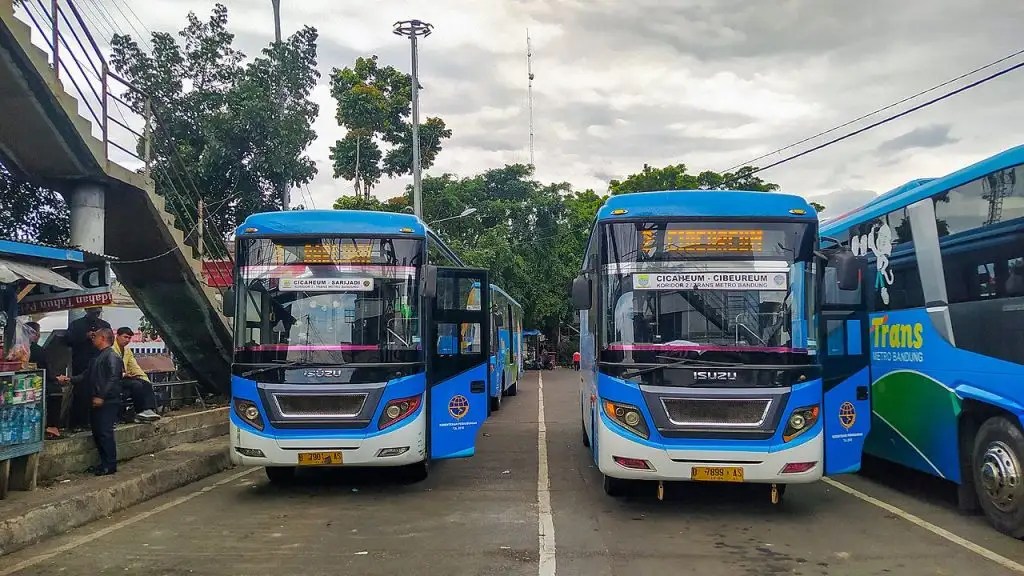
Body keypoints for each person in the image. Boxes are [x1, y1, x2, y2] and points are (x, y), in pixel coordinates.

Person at [57, 328, 123, 476]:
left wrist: (102, 396)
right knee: (97, 432)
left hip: (107, 401)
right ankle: (103, 463)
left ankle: (110, 465)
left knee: (105, 432)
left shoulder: (112, 356)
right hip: (95, 399)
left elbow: (113, 379)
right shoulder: (97, 357)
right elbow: (86, 375)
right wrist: (69, 379)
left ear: (103, 338)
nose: (93, 339)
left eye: (96, 336)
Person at [65, 307, 111, 429]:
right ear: (86, 310)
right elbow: (68, 340)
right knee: (80, 392)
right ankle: (78, 423)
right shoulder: (76, 324)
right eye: (93, 312)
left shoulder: (104, 325)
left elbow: (110, 340)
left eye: (98, 312)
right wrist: (85, 336)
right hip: (81, 362)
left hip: (99, 361)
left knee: (97, 390)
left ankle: (94, 421)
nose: (96, 314)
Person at [113, 327, 161, 423]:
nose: (127, 340)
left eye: (129, 338)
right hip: (114, 378)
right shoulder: (111, 348)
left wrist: (143, 377)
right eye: (125, 337)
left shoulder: (127, 350)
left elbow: (134, 366)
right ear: (117, 336)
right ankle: (140, 411)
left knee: (145, 383)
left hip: (125, 377)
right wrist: (123, 374)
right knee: (136, 385)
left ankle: (149, 410)